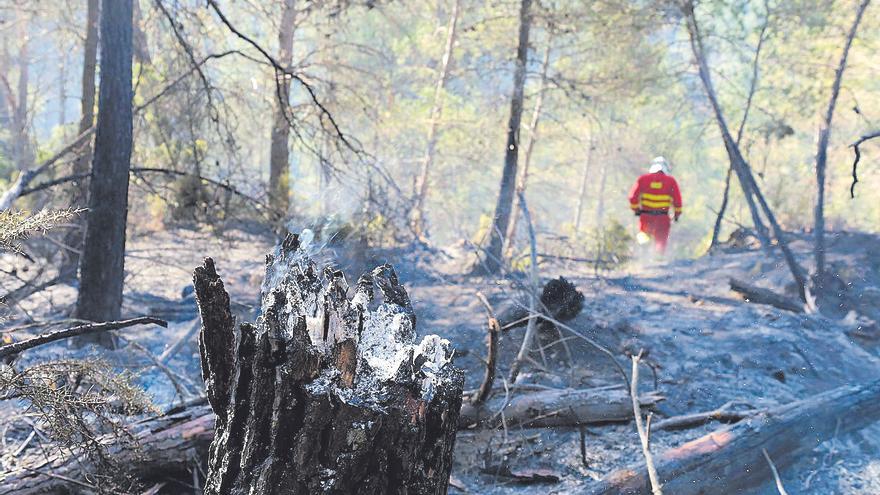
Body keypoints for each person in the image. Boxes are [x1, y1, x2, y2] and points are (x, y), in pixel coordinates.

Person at [628, 156, 683, 255]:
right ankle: (658, 262)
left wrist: (636, 210)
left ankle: (643, 249)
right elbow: (677, 201)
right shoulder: (671, 181)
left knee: (644, 235)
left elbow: (633, 197)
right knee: (660, 241)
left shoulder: (643, 179)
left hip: (646, 216)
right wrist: (677, 214)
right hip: (663, 217)